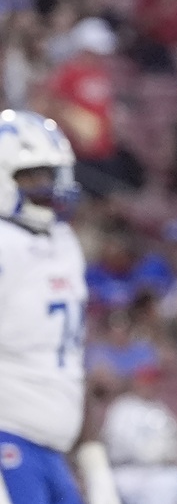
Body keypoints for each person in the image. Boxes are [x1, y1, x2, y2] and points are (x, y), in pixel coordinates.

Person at [0, 109, 87, 503]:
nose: (47, 186)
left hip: (51, 442)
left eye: (50, 175)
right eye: (33, 175)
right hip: (10, 431)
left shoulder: (63, 241)